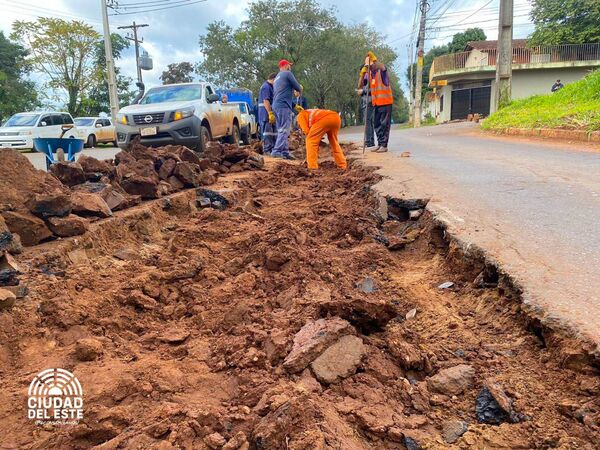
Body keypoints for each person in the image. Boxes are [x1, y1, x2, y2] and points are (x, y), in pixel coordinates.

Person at [359, 51, 393, 153]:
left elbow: (383, 67)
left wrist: (375, 60)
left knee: (384, 125)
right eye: (368, 66)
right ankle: (379, 144)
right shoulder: (370, 74)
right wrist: (363, 72)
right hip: (376, 103)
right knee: (377, 124)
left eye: (371, 65)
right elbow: (360, 86)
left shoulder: (381, 72)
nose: (370, 67)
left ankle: (384, 145)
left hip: (386, 102)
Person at [295, 105, 347, 170]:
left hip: (325, 119)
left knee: (310, 140)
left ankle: (312, 167)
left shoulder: (300, 116)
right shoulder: (308, 113)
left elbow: (306, 131)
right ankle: (342, 165)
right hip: (336, 118)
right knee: (334, 142)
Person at [272, 59, 303, 160]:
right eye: (289, 65)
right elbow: (297, 87)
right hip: (283, 106)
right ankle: (276, 151)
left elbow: (282, 93)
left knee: (281, 129)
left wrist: (294, 105)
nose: (290, 67)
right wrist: (300, 89)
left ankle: (284, 152)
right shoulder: (287, 73)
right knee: (284, 130)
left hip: (277, 105)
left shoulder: (277, 77)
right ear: (285, 66)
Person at [356, 64, 375, 149]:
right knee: (369, 122)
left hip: (369, 101)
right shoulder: (365, 78)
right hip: (365, 101)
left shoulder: (371, 77)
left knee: (367, 122)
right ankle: (370, 141)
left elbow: (374, 89)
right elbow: (359, 86)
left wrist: (362, 91)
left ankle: (368, 142)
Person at [258, 73, 277, 155]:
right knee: (267, 132)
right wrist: (270, 113)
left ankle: (272, 149)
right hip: (266, 113)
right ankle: (267, 150)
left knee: (273, 132)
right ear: (274, 79)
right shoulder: (266, 87)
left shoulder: (270, 87)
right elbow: (266, 101)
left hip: (269, 113)